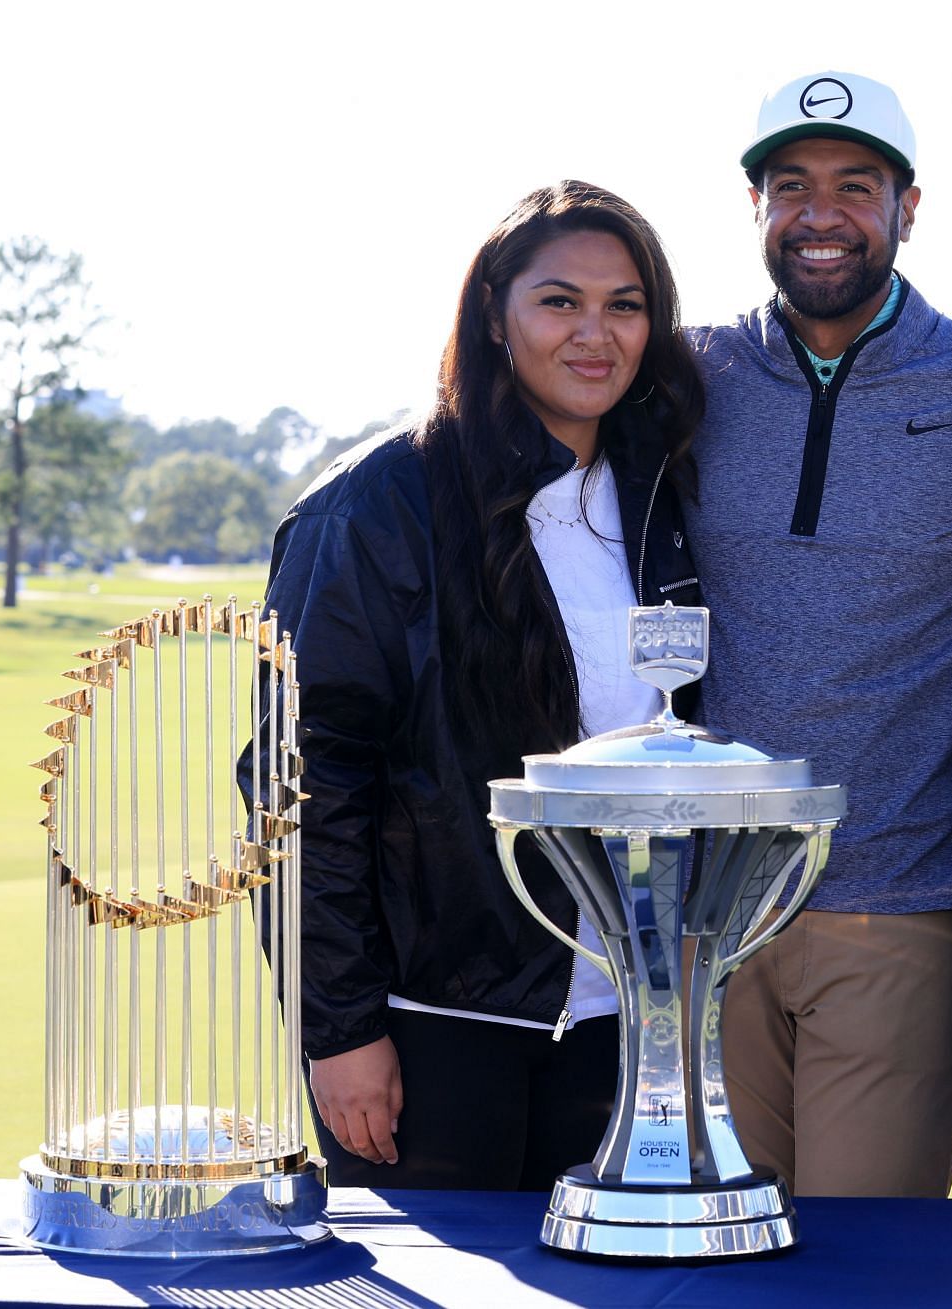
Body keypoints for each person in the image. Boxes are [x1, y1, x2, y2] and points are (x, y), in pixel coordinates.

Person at [256, 181, 704, 1189]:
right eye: (560, 301)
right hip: (436, 1028)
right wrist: (338, 1032)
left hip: (628, 1026)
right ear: (494, 311)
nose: (596, 333)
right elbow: (301, 788)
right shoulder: (374, 508)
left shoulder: (661, 496)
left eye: (625, 304)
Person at [685, 70, 952, 1198]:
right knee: (721, 1253)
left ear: (910, 208)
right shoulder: (689, 374)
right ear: (753, 207)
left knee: (863, 1259)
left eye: (858, 186)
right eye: (792, 185)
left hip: (899, 906)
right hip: (709, 916)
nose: (822, 215)